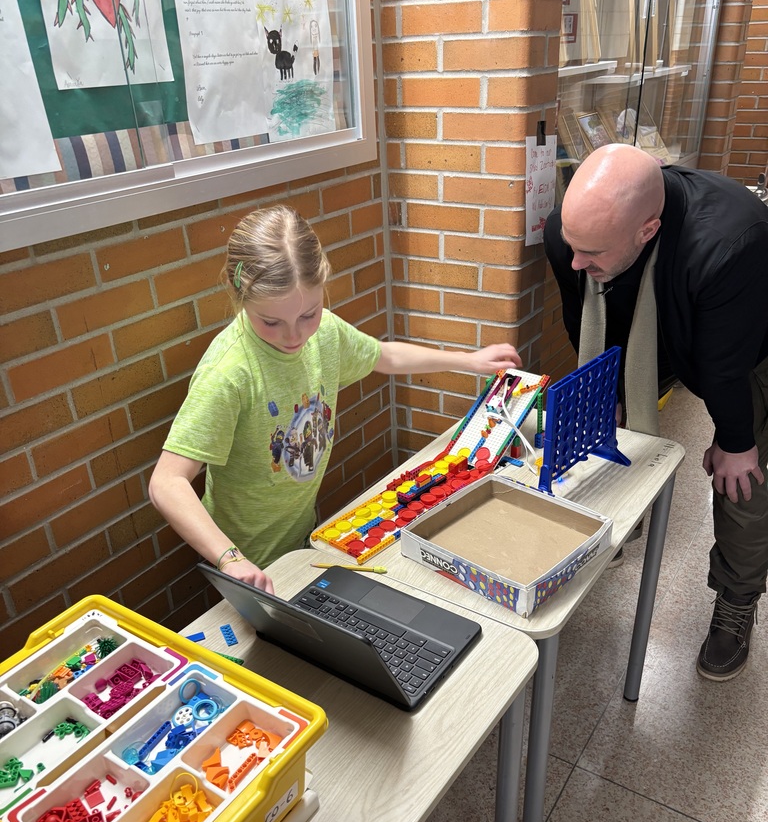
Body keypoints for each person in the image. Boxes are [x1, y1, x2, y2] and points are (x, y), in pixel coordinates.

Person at [149, 205, 522, 596]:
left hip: (301, 543)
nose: (294, 336)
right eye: (271, 322)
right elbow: (166, 482)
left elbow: (385, 356)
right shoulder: (229, 373)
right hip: (245, 561)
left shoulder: (324, 333)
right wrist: (230, 559)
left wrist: (468, 361)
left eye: (308, 314)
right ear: (238, 294)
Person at [543, 143, 768, 682]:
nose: (575, 263)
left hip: (742, 345)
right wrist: (610, 392)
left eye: (591, 252)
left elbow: (724, 367)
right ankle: (602, 536)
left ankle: (736, 598)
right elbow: (582, 319)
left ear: (647, 230)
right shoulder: (570, 237)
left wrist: (735, 441)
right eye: (572, 246)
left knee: (745, 481)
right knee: (596, 426)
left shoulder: (736, 240)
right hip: (646, 328)